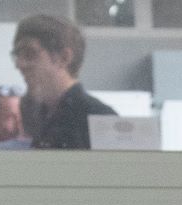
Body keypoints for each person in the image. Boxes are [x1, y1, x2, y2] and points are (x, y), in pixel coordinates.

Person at [12, 14, 115, 150]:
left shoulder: (99, 118)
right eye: (17, 55)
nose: (19, 64)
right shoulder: (36, 114)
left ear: (64, 58)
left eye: (29, 53)